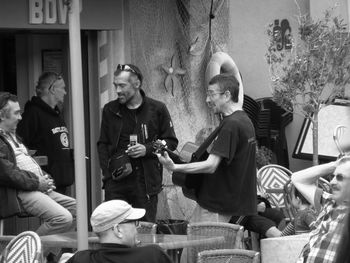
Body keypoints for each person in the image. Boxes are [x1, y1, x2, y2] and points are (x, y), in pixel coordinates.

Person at [157, 73, 257, 223]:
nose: (207, 100)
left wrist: (175, 167)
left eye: (211, 94)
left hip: (215, 207)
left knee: (198, 246)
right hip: (228, 204)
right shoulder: (245, 121)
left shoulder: (231, 125)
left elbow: (210, 165)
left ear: (227, 95)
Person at [97, 64, 178, 222]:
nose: (118, 90)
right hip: (116, 183)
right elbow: (102, 144)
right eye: (115, 86)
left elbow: (170, 141)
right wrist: (107, 176)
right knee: (115, 231)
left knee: (145, 233)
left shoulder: (157, 109)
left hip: (145, 184)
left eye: (122, 85)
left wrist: (147, 149)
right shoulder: (110, 110)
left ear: (136, 84)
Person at [0, 92, 76, 236]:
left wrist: (45, 178)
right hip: (19, 191)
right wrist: (37, 182)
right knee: (63, 218)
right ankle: (29, 253)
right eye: (16, 113)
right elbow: (7, 173)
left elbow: (27, 163)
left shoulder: (12, 135)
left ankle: (48, 255)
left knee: (80, 210)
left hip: (34, 186)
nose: (20, 117)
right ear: (2, 115)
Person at [17, 72, 74, 195]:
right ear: (52, 89)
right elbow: (20, 148)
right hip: (45, 186)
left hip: (61, 183)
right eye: (63, 88)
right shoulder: (32, 114)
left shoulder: (57, 114)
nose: (65, 92)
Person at [64, 200, 173, 263]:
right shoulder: (153, 255)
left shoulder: (82, 259)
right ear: (117, 229)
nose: (138, 228)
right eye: (134, 223)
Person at [292, 155, 350, 263]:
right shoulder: (329, 202)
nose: (332, 182)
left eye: (340, 177)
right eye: (333, 176)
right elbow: (296, 178)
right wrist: (335, 165)